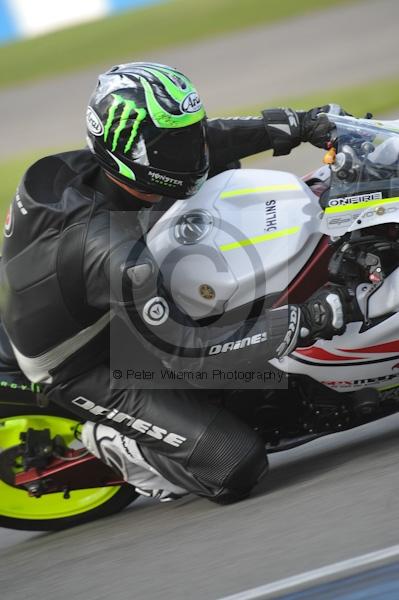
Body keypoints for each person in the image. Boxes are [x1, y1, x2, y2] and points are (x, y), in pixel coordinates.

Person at [0, 62, 353, 503]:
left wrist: (302, 124)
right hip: (84, 361)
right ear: (131, 151)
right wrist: (310, 317)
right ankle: (112, 445)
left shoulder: (92, 171)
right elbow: (190, 353)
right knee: (234, 462)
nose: (193, 151)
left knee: (225, 182)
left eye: (190, 133)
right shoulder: (114, 254)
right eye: (175, 145)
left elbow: (213, 142)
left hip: (85, 286)